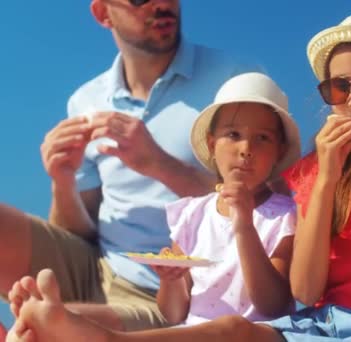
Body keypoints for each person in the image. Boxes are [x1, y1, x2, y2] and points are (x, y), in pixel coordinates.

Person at [5, 11, 351, 342]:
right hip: (328, 322)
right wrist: (329, 175)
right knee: (232, 332)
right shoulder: (318, 172)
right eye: (340, 87)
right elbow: (308, 291)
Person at [1, 0, 260, 332]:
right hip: (97, 268)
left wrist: (160, 164)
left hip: (173, 294)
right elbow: (79, 232)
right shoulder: (86, 100)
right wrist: (62, 180)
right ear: (102, 13)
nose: (162, 4)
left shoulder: (234, 82)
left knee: (44, 327)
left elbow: (265, 203)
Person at [8, 72, 302, 340]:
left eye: (262, 138)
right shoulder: (191, 214)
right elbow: (174, 313)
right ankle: (43, 326)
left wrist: (244, 225)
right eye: (233, 135)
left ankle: (87, 333)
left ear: (279, 152)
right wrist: (171, 281)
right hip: (189, 333)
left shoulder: (285, 216)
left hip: (249, 335)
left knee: (230, 327)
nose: (246, 148)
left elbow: (273, 305)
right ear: (212, 145)